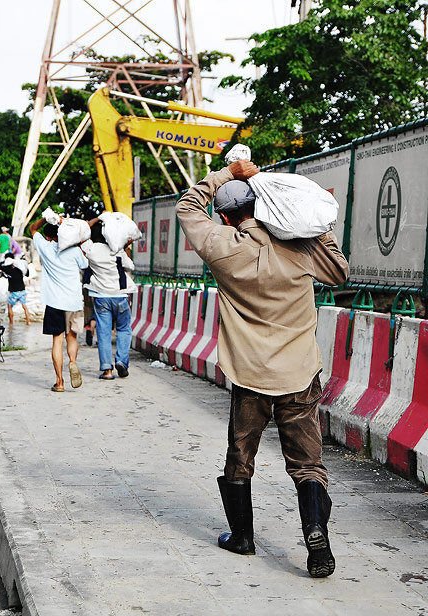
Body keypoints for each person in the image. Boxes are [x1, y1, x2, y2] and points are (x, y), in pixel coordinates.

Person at [175, 160, 349, 578]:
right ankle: (314, 532)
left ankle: (242, 537)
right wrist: (320, 223)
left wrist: (228, 173)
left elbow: (186, 207)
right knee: (307, 463)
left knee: (241, 456)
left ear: (225, 216)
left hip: (250, 373)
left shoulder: (220, 245)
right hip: (300, 372)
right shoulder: (299, 246)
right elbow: (340, 271)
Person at [29, 216, 88, 392]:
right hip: (73, 301)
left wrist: (44, 218)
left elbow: (33, 229)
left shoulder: (45, 247)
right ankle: (72, 362)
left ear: (48, 237)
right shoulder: (74, 251)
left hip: (54, 302)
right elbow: (84, 264)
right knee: (72, 337)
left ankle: (59, 382)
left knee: (57, 341)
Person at [81, 220, 137, 380]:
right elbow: (130, 266)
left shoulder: (91, 248)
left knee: (104, 333)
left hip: (100, 297)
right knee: (124, 329)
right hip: (120, 296)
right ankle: (121, 361)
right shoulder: (117, 250)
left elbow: (81, 236)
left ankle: (107, 370)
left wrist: (94, 221)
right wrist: (125, 247)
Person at [0, 253, 31, 326]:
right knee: (25, 306)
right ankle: (28, 322)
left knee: (9, 306)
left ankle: (11, 323)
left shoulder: (8, 269)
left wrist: (3, 262)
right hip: (22, 290)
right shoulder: (19, 267)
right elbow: (27, 273)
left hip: (14, 292)